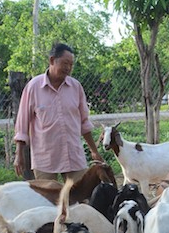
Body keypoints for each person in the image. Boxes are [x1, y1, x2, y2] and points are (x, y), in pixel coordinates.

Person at [13, 43, 103, 181]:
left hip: (73, 155)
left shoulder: (75, 87)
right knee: (47, 200)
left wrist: (94, 151)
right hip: (46, 158)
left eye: (71, 64)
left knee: (79, 198)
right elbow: (22, 125)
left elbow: (84, 123)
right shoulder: (33, 87)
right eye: (65, 63)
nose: (68, 68)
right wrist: (19, 155)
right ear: (52, 60)